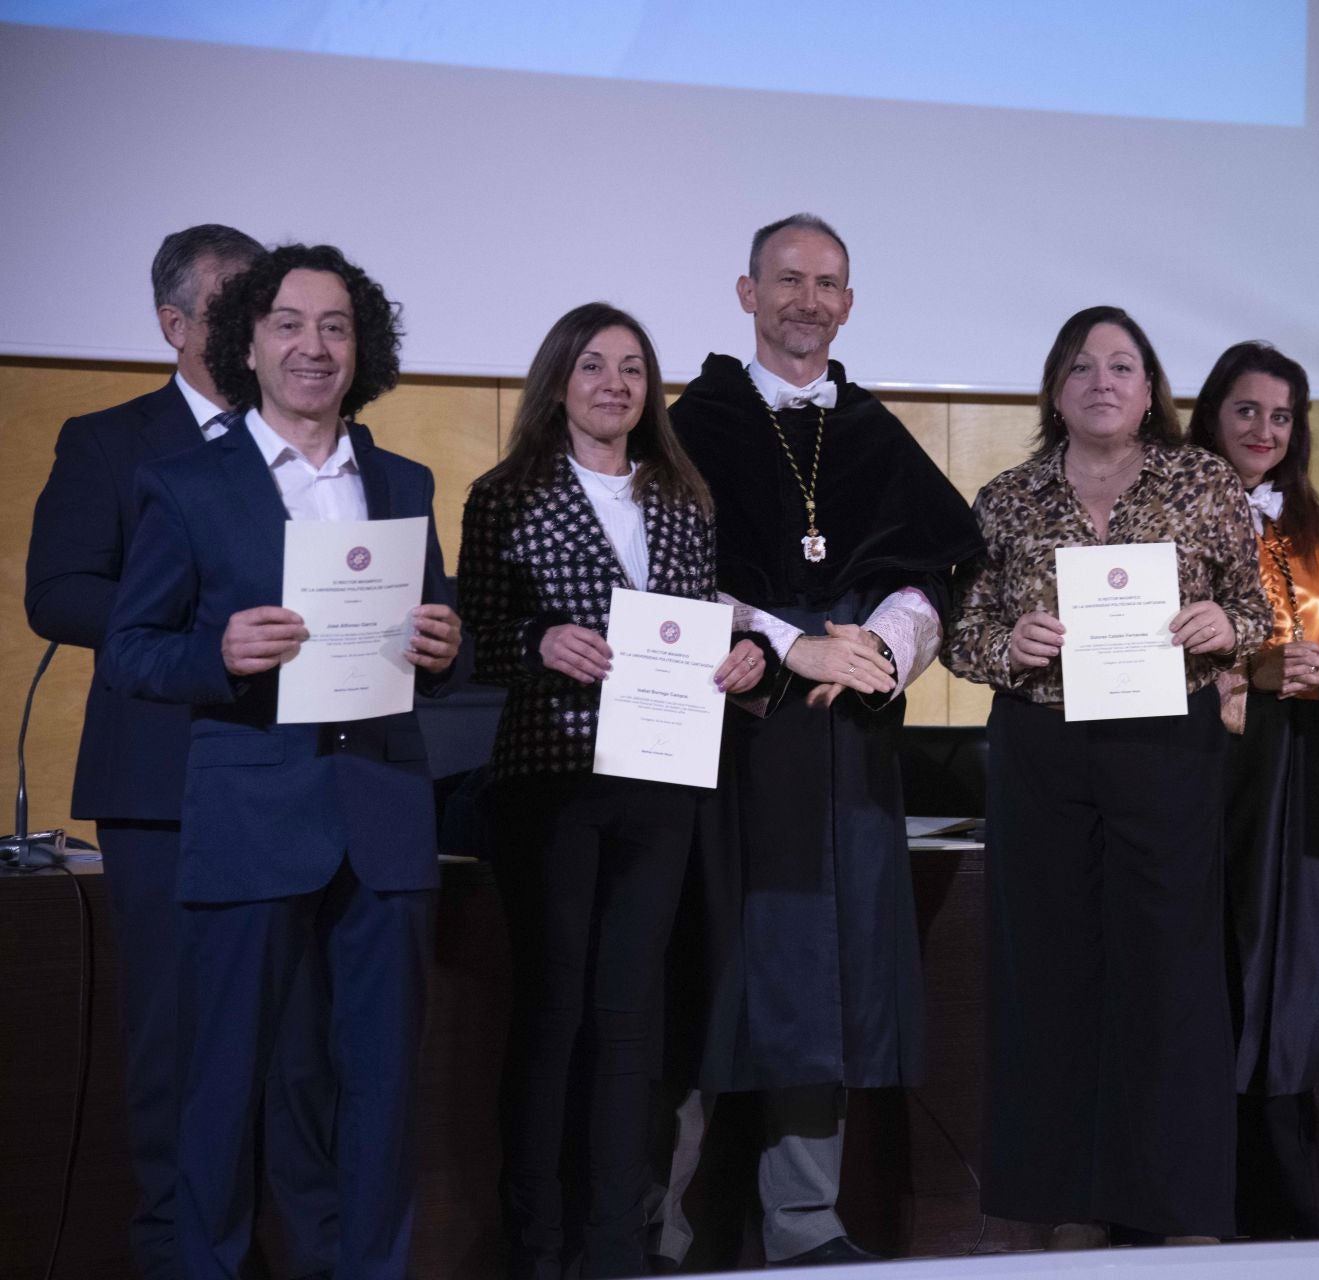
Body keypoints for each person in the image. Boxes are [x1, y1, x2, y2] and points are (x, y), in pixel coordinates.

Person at [103, 244, 463, 1280]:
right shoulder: (182, 485)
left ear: (364, 348)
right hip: (251, 817)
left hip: (384, 813)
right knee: (222, 1085)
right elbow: (132, 650)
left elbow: (441, 638)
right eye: (291, 324)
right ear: (248, 343)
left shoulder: (402, 478)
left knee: (382, 1087)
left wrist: (449, 647)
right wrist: (217, 652)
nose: (315, 345)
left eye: (338, 325)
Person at [663, 213, 983, 1267]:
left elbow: (936, 564)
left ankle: (804, 1222)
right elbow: (661, 574)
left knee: (824, 972)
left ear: (848, 303)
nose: (808, 299)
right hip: (726, 731)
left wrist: (882, 647)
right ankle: (655, 1225)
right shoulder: (692, 424)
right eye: (788, 279)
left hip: (842, 741)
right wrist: (790, 642)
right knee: (709, 962)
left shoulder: (872, 433)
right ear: (746, 293)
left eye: (828, 283)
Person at [23, 224, 338, 1280]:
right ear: (176, 324)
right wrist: (202, 631)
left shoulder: (314, 440)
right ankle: (178, 1255)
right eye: (244, 307)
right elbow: (57, 591)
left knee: (296, 1051)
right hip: (163, 781)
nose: (271, 332)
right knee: (174, 1040)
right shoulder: (111, 440)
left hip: (297, 780)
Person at [944, 305, 1271, 1247]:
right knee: (1049, 975)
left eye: (1123, 366)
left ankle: (1179, 1209)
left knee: (1170, 978)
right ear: (1056, 387)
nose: (1102, 381)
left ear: (1149, 390)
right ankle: (1064, 1206)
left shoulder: (1205, 482)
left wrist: (1225, 629)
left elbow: (1253, 609)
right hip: (1044, 753)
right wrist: (1007, 644)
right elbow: (963, 634)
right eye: (1082, 366)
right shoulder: (1006, 498)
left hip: (1167, 749)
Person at [458, 303, 765, 1278]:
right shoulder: (506, 493)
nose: (615, 383)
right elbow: (472, 638)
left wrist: (742, 660)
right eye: (594, 366)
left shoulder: (683, 494)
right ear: (558, 380)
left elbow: (698, 624)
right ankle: (537, 1245)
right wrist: (536, 641)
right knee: (553, 1012)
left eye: (633, 368)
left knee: (630, 1016)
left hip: (661, 779)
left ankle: (612, 1245)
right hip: (550, 780)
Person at [1188, 341, 1319, 1240]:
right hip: (1204, 765)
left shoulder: (1309, 526)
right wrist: (1245, 669)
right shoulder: (1168, 504)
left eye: (1282, 415)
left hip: (1293, 764)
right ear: (1212, 413)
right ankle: (1199, 1191)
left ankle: (1285, 1194)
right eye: (1247, 410)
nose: (1264, 429)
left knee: (1287, 975)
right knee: (1211, 964)